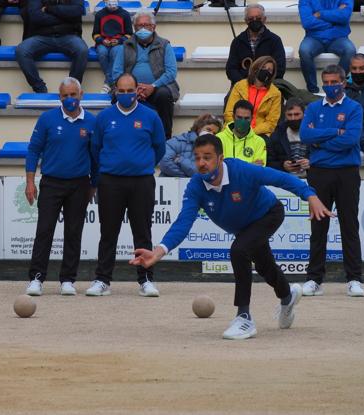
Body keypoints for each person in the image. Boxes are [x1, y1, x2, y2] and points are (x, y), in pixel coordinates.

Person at [130, 134, 333, 339]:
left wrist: (310, 195)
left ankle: (244, 317)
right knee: (264, 266)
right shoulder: (196, 186)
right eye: (197, 157)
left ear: (220, 158)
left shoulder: (241, 171)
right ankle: (287, 297)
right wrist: (159, 251)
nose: (201, 163)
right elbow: (184, 221)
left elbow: (281, 178)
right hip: (244, 229)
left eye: (207, 157)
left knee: (239, 250)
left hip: (268, 214)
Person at [87, 73, 166, 297]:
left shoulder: (151, 116)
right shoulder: (104, 117)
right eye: (120, 91)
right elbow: (96, 148)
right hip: (111, 181)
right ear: (115, 91)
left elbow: (159, 147)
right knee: (108, 232)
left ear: (137, 91)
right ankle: (102, 280)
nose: (125, 94)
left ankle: (146, 279)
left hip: (141, 181)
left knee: (143, 232)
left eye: (129, 90)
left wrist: (143, 164)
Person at [24, 77, 97, 296]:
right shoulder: (47, 119)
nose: (69, 99)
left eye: (73, 95)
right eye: (65, 95)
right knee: (44, 231)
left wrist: (94, 183)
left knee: (74, 232)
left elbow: (96, 157)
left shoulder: (92, 122)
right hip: (51, 183)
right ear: (60, 97)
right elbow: (33, 151)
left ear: (81, 95)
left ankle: (68, 280)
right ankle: (36, 279)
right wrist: (30, 181)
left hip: (79, 184)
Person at [300, 64, 364, 297]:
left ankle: (354, 278)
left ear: (343, 82)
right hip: (319, 174)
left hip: (346, 173)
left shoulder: (354, 108)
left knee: (349, 226)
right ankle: (314, 279)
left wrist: (321, 142)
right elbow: (306, 135)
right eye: (325, 82)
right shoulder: (313, 107)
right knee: (318, 227)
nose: (329, 86)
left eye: (333, 82)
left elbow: (350, 139)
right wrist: (334, 132)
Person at [112, 10, 179, 138]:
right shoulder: (125, 46)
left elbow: (171, 72)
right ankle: (120, 135)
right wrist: (133, 89)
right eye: (139, 26)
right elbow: (116, 72)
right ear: (134, 28)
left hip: (157, 88)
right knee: (119, 96)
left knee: (164, 95)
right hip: (131, 88)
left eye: (146, 25)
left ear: (153, 27)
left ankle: (165, 137)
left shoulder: (164, 45)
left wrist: (152, 86)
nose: (142, 28)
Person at [15, 0, 87, 93]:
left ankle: (71, 88)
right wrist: (66, 18)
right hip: (42, 36)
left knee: (82, 50)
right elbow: (35, 17)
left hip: (68, 35)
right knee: (21, 50)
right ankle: (40, 88)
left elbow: (78, 10)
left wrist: (49, 9)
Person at [298, 0, 355, 93]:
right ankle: (313, 91)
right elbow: (307, 22)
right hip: (314, 38)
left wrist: (320, 14)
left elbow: (344, 17)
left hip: (338, 37)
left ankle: (337, 86)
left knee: (350, 50)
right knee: (304, 50)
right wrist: (334, 22)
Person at [226, 4, 286, 86]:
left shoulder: (275, 40)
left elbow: (280, 68)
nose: (255, 21)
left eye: (258, 18)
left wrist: (261, 83)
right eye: (251, 19)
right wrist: (245, 84)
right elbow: (231, 69)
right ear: (246, 20)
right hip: (242, 86)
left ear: (264, 19)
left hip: (268, 86)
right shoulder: (237, 41)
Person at [225, 56, 282, 138]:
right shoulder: (240, 86)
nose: (266, 71)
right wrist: (239, 129)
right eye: (263, 67)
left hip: (259, 134)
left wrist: (251, 132)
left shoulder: (275, 93)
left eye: (269, 70)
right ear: (255, 68)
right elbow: (229, 113)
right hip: (234, 130)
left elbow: (271, 122)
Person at [159, 113, 222, 177]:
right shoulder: (178, 141)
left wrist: (180, 160)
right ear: (199, 127)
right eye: (208, 129)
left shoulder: (212, 149)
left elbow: (205, 172)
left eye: (214, 133)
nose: (211, 134)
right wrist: (185, 177)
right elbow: (164, 163)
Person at [92, 0, 132, 93]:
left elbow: (129, 34)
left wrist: (119, 41)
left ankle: (107, 83)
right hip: (103, 43)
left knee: (116, 52)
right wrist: (102, 40)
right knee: (102, 53)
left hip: (118, 44)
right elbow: (95, 34)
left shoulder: (125, 14)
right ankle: (112, 82)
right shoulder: (99, 14)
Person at [266, 98, 310, 176]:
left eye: (296, 114)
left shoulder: (315, 133)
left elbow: (325, 157)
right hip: (285, 180)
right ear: (285, 115)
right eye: (289, 115)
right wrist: (283, 166)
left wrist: (311, 163)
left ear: (304, 114)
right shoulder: (277, 135)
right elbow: (269, 161)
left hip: (311, 179)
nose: (293, 118)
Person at [217, 99, 267, 165]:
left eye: (246, 118)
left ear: (252, 118)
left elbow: (258, 171)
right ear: (233, 117)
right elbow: (217, 167)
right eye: (239, 118)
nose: (243, 121)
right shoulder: (219, 139)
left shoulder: (259, 142)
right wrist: (250, 166)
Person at [345, 53, 364, 154]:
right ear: (350, 68)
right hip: (354, 128)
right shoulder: (342, 88)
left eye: (362, 68)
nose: (358, 72)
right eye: (354, 68)